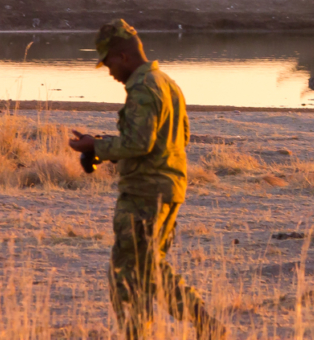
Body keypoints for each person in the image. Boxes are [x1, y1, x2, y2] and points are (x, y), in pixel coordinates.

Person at [69, 19, 225, 340]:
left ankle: (195, 325)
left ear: (123, 56)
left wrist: (95, 146)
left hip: (144, 195)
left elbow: (139, 143)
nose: (109, 72)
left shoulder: (142, 88)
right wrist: (103, 149)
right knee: (148, 267)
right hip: (168, 189)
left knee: (129, 272)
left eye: (109, 62)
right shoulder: (167, 83)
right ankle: (198, 324)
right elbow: (179, 136)